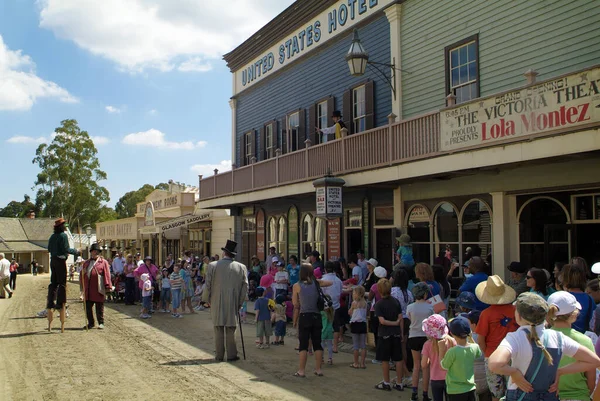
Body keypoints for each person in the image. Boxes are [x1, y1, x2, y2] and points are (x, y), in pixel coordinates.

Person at [489, 292, 600, 401]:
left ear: (519, 315)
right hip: (550, 396)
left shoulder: (515, 338)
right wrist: (560, 371)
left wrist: (514, 372)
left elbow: (495, 364)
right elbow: (594, 361)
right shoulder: (559, 338)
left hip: (520, 394)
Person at [202, 240, 248, 362]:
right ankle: (232, 354)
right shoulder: (241, 267)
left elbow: (208, 285)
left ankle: (219, 355)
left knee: (218, 328)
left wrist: (205, 299)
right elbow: (245, 287)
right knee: (231, 328)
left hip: (217, 299)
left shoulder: (213, 265)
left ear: (224, 253)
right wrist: (240, 302)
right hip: (233, 300)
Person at [474, 275, 519, 401]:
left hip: (492, 355)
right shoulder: (516, 311)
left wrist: (487, 354)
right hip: (513, 354)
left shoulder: (486, 314)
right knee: (513, 390)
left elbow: (480, 339)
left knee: (496, 394)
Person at [547, 291, 596, 401]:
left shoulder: (541, 339)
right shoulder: (585, 340)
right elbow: (591, 379)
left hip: (549, 396)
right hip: (580, 396)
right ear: (574, 315)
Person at [292, 263, 332, 378]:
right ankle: (318, 369)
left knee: (303, 345)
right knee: (317, 344)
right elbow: (330, 283)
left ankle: (301, 370)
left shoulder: (297, 285)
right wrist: (316, 279)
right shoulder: (316, 283)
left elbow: (295, 304)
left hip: (305, 315)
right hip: (316, 315)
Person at [46, 218, 80, 332]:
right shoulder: (63, 236)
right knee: (62, 284)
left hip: (53, 261)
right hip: (60, 261)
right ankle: (60, 304)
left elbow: (49, 249)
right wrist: (76, 251)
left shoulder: (52, 236)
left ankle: (51, 302)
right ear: (61, 227)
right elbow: (66, 249)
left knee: (53, 283)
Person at [439, 317, 482, 401]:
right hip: (471, 389)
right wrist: (470, 337)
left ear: (451, 333)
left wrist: (441, 350)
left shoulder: (452, 352)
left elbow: (443, 366)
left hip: (455, 391)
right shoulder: (475, 347)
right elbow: (478, 353)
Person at [373, 278, 404, 392]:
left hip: (384, 333)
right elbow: (400, 318)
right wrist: (400, 331)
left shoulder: (379, 304)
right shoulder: (396, 301)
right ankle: (399, 382)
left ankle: (386, 382)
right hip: (396, 333)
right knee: (398, 359)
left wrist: (394, 323)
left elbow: (382, 321)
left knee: (385, 359)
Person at [407, 282, 434, 401]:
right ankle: (425, 394)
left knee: (416, 365)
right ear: (425, 294)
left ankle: (414, 393)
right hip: (426, 337)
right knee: (426, 366)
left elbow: (408, 318)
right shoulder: (430, 307)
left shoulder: (410, 307)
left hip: (413, 336)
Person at [422, 314, 456, 401]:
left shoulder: (427, 345)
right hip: (451, 378)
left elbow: (424, 365)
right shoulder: (452, 341)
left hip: (435, 379)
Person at [81, 243, 113, 330]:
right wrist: (82, 273)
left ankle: (101, 323)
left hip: (98, 288)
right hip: (88, 289)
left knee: (99, 308)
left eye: (97, 251)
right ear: (91, 252)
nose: (96, 253)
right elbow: (82, 277)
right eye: (94, 251)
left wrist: (108, 286)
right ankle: (91, 323)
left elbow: (107, 274)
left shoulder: (103, 262)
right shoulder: (86, 263)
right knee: (87, 308)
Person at [392, 268, 414, 384]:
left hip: (397, 320)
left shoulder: (393, 291)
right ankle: (403, 372)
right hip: (407, 320)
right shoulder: (408, 292)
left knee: (397, 348)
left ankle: (404, 373)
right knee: (403, 346)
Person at [562, 263, 596, 333]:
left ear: (565, 278)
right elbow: (593, 324)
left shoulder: (562, 297)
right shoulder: (589, 299)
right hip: (583, 339)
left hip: (564, 337)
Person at [321, 261, 344, 353]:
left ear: (325, 269)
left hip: (326, 306)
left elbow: (321, 292)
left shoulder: (323, 279)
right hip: (336, 305)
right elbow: (340, 291)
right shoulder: (338, 280)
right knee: (336, 326)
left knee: (324, 326)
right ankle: (335, 346)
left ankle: (324, 344)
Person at [349, 286, 368, 369]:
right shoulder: (365, 303)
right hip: (363, 323)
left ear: (357, 294)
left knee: (356, 345)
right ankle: (363, 363)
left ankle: (356, 363)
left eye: (354, 293)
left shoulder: (354, 303)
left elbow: (350, 312)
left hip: (355, 324)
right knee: (363, 345)